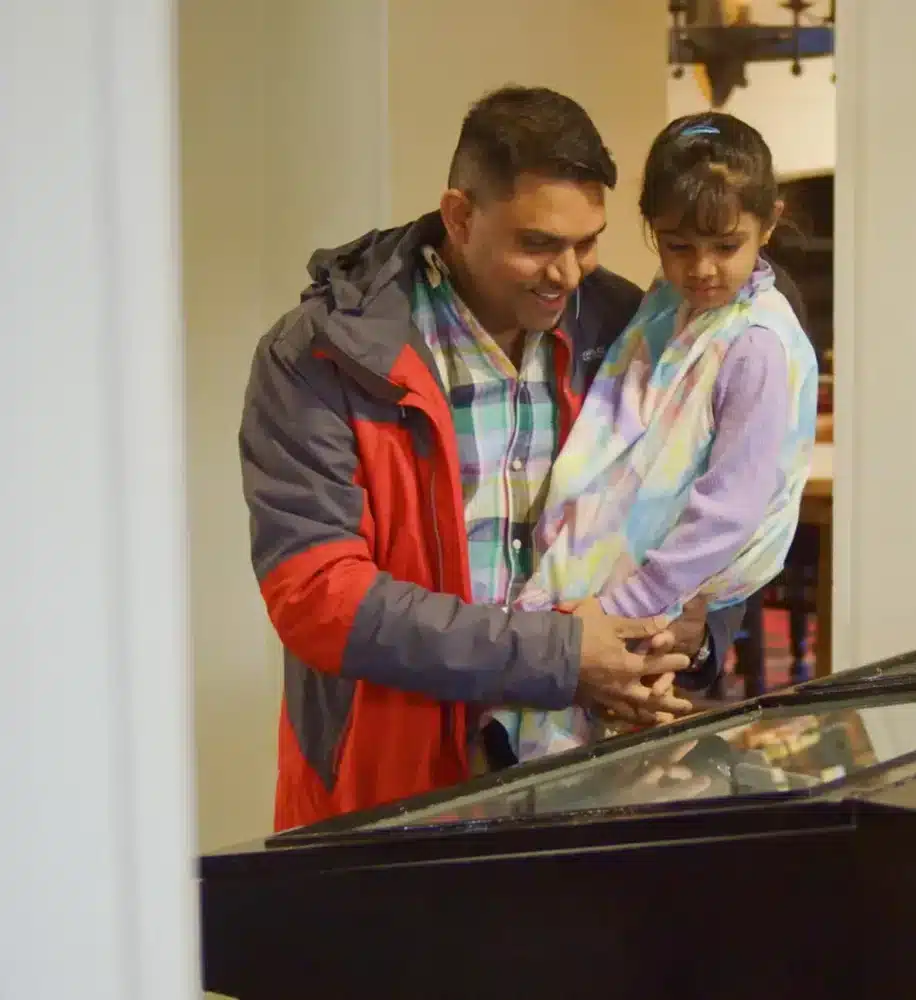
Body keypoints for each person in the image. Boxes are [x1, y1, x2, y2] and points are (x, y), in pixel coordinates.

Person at [240, 86, 751, 831]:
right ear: (458, 216)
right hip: (392, 798)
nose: (568, 274)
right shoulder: (320, 354)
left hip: (592, 781)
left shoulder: (630, 325)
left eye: (588, 242)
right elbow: (317, 597)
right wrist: (562, 656)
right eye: (538, 244)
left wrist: (699, 635)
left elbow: (720, 496)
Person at [492, 111, 820, 762]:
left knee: (617, 759)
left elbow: (731, 511)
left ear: (769, 225)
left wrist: (629, 603)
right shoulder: (665, 309)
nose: (701, 268)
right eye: (676, 245)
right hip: (603, 587)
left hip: (649, 595)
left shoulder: (755, 344)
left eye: (726, 246)